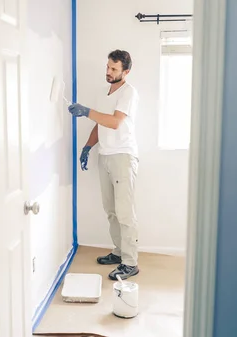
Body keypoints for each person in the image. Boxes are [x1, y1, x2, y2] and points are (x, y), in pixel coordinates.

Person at [67, 50, 140, 280]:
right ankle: (119, 253)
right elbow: (100, 124)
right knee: (111, 211)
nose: (108, 72)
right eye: (107, 67)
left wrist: (87, 111)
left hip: (123, 157)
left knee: (125, 214)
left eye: (114, 69)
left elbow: (115, 122)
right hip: (105, 156)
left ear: (126, 72)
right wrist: (88, 147)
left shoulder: (129, 93)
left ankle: (130, 263)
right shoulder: (103, 92)